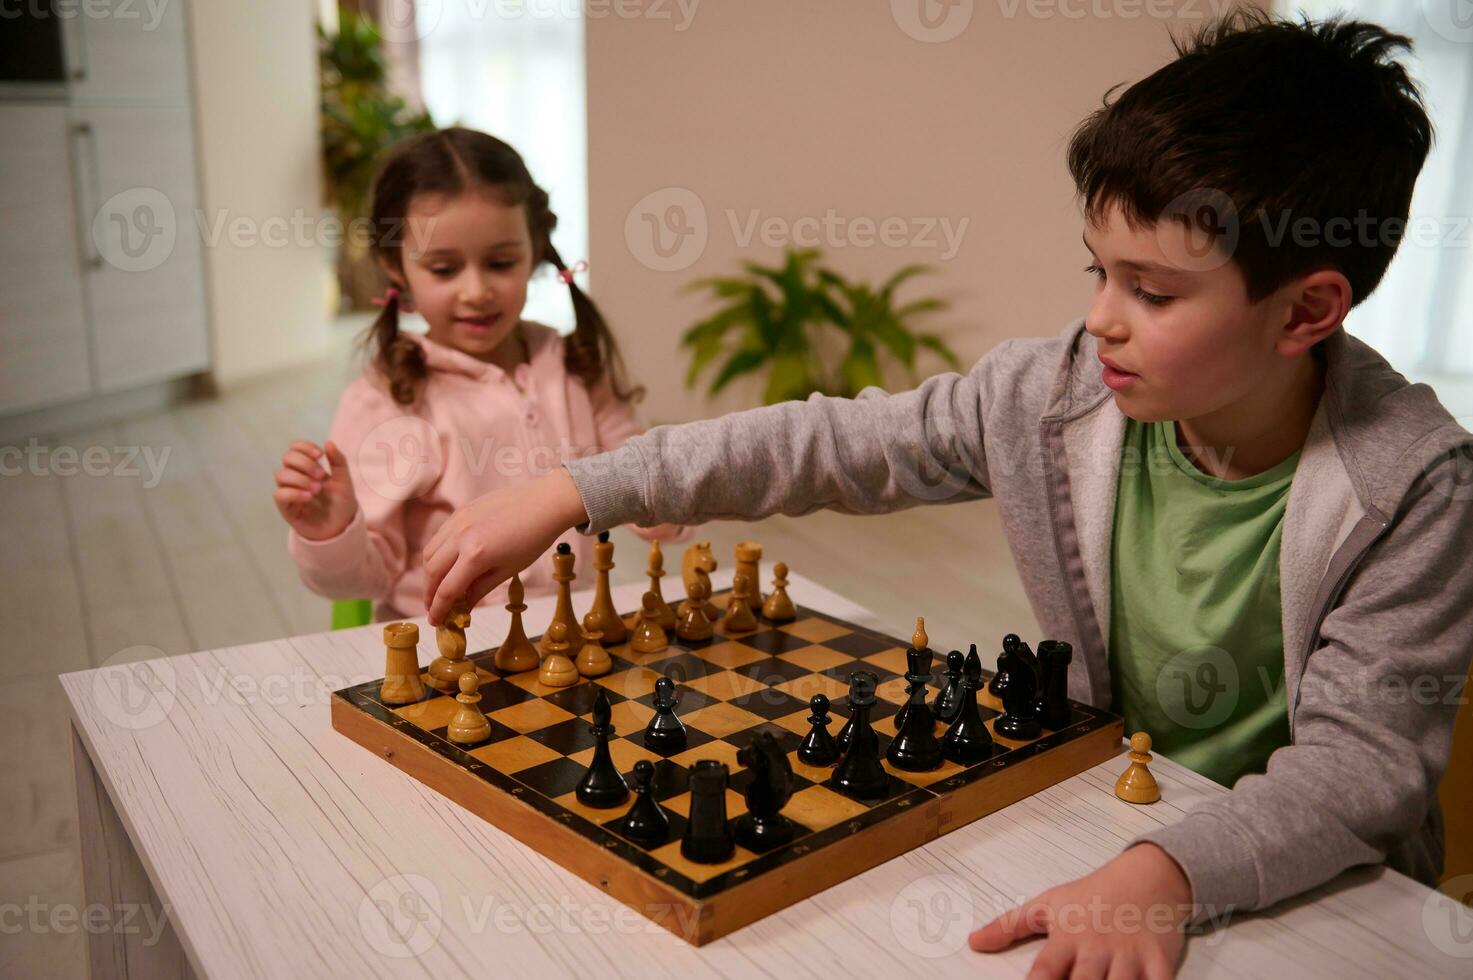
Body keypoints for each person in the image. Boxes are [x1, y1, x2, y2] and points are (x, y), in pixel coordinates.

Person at [419, 12, 1473, 977]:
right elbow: (831, 443)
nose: (1100, 318)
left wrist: (1169, 872)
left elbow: (1359, 770)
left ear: (1306, 310)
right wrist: (582, 485)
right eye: (1097, 270)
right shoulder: (1051, 399)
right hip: (1099, 819)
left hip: (1309, 891)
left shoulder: (1413, 487)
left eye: (1149, 291)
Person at [274, 127, 683, 622]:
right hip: (444, 657)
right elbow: (365, 577)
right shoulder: (388, 399)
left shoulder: (574, 365)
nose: (476, 290)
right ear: (395, 265)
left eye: (500, 262)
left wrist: (663, 508)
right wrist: (331, 531)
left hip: (566, 641)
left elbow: (639, 480)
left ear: (534, 250)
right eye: (445, 270)